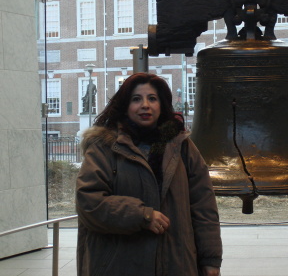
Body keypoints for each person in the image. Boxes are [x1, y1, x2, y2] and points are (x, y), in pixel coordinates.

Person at [76, 73, 222, 276]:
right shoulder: (105, 148)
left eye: (152, 98)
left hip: (176, 263)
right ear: (125, 105)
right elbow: (88, 202)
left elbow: (203, 207)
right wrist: (141, 215)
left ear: (161, 104)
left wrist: (210, 259)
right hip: (118, 264)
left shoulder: (182, 147)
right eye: (136, 99)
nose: (145, 105)